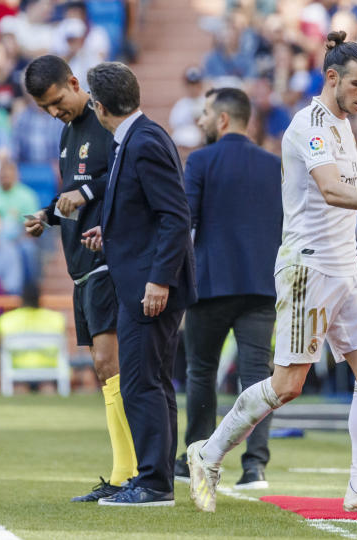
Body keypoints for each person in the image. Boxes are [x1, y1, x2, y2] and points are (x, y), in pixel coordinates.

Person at [186, 32, 357, 516]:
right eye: (356, 84)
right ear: (330, 78)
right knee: (287, 384)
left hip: (344, 265)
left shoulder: (342, 124)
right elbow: (331, 190)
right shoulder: (308, 125)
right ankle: (207, 453)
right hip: (308, 266)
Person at [21, 55, 137, 502]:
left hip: (106, 258)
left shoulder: (105, 117)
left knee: (111, 363)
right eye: (45, 108)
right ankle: (125, 471)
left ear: (73, 82)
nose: (54, 112)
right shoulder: (68, 133)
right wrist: (47, 215)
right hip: (80, 269)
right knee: (102, 367)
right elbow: (75, 190)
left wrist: (82, 193)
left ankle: (130, 473)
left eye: (56, 102)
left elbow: (124, 172)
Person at [82, 61, 197, 507]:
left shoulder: (143, 140)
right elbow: (147, 211)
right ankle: (157, 478)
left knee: (141, 383)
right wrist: (108, 235)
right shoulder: (136, 136)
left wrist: (159, 281)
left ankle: (152, 483)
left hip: (150, 288)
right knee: (152, 382)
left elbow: (174, 215)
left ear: (99, 104)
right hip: (143, 278)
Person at [175, 87, 282, 490]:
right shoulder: (275, 165)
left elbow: (185, 220)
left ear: (222, 119)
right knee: (258, 380)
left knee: (200, 371)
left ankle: (194, 457)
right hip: (262, 285)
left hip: (211, 284)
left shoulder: (200, 160)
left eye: (204, 113)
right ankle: (255, 467)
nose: (200, 120)